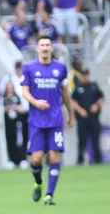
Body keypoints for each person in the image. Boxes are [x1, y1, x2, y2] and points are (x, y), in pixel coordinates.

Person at [21, 35, 75, 205]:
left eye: (47, 45)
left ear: (52, 48)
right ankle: (38, 183)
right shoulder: (29, 68)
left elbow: (65, 92)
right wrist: (36, 102)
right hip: (36, 121)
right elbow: (25, 91)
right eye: (42, 45)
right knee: (36, 159)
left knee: (54, 156)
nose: (45, 48)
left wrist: (70, 114)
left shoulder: (60, 68)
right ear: (37, 48)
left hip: (55, 121)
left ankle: (49, 195)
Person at [71, 67, 105, 164]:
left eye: (87, 74)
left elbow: (101, 98)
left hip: (94, 118)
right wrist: (80, 110)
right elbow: (72, 101)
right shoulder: (77, 87)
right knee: (82, 140)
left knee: (95, 139)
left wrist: (96, 105)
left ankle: (98, 160)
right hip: (82, 118)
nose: (85, 77)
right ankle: (80, 161)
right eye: (83, 75)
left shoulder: (94, 86)